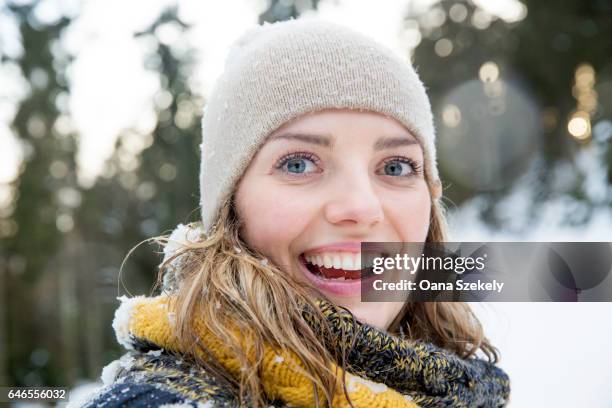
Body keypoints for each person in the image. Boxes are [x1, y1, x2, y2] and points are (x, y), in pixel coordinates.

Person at [76, 18, 510, 407]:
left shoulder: (462, 390)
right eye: (299, 163)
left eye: (396, 167)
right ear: (230, 205)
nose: (360, 207)